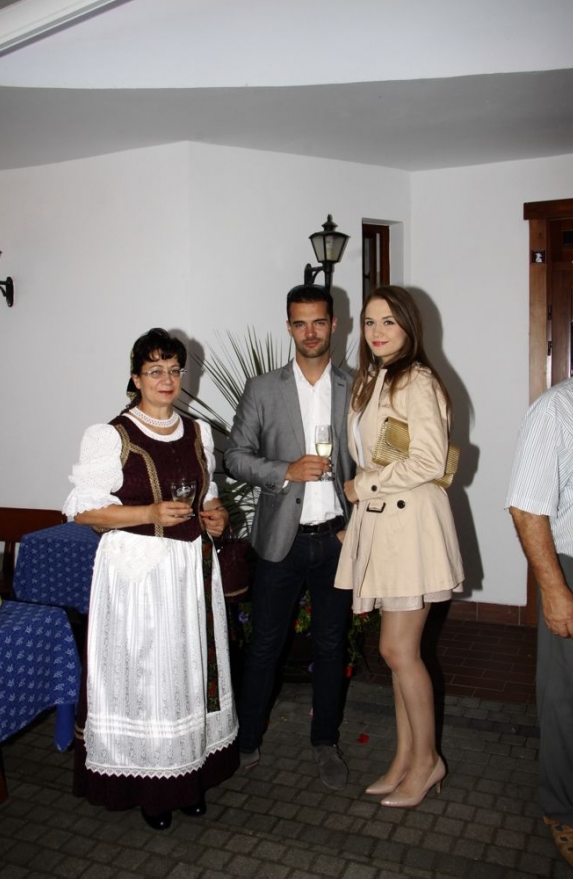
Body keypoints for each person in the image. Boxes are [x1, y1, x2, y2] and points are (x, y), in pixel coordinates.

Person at [63, 328, 238, 831]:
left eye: (174, 369)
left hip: (188, 572)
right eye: (155, 370)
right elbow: (83, 512)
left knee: (188, 671)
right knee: (149, 675)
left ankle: (189, 777)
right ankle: (152, 789)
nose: (167, 379)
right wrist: (149, 512)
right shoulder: (111, 435)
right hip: (138, 576)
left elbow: (207, 494)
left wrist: (217, 516)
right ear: (136, 378)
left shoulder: (198, 432)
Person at [334, 286, 464, 808]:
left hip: (410, 526)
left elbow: (430, 459)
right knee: (397, 654)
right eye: (370, 322)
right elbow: (378, 454)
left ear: (409, 325)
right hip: (386, 523)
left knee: (397, 651)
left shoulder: (416, 378)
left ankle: (427, 762)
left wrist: (362, 487)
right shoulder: (374, 378)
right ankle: (406, 757)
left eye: (388, 321)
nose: (377, 331)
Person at [224, 284, 354, 789]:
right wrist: (285, 470)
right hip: (282, 539)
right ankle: (247, 740)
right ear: (288, 327)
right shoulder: (263, 388)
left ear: (333, 324)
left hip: (337, 539)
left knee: (331, 646)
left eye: (319, 322)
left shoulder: (356, 386)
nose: (310, 332)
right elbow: (235, 456)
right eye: (300, 323)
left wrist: (356, 525)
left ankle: (325, 741)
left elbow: (372, 461)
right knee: (265, 646)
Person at [506, 377, 573, 869]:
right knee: (567, 697)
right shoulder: (557, 409)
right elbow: (527, 507)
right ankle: (565, 809)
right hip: (572, 568)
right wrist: (554, 590)